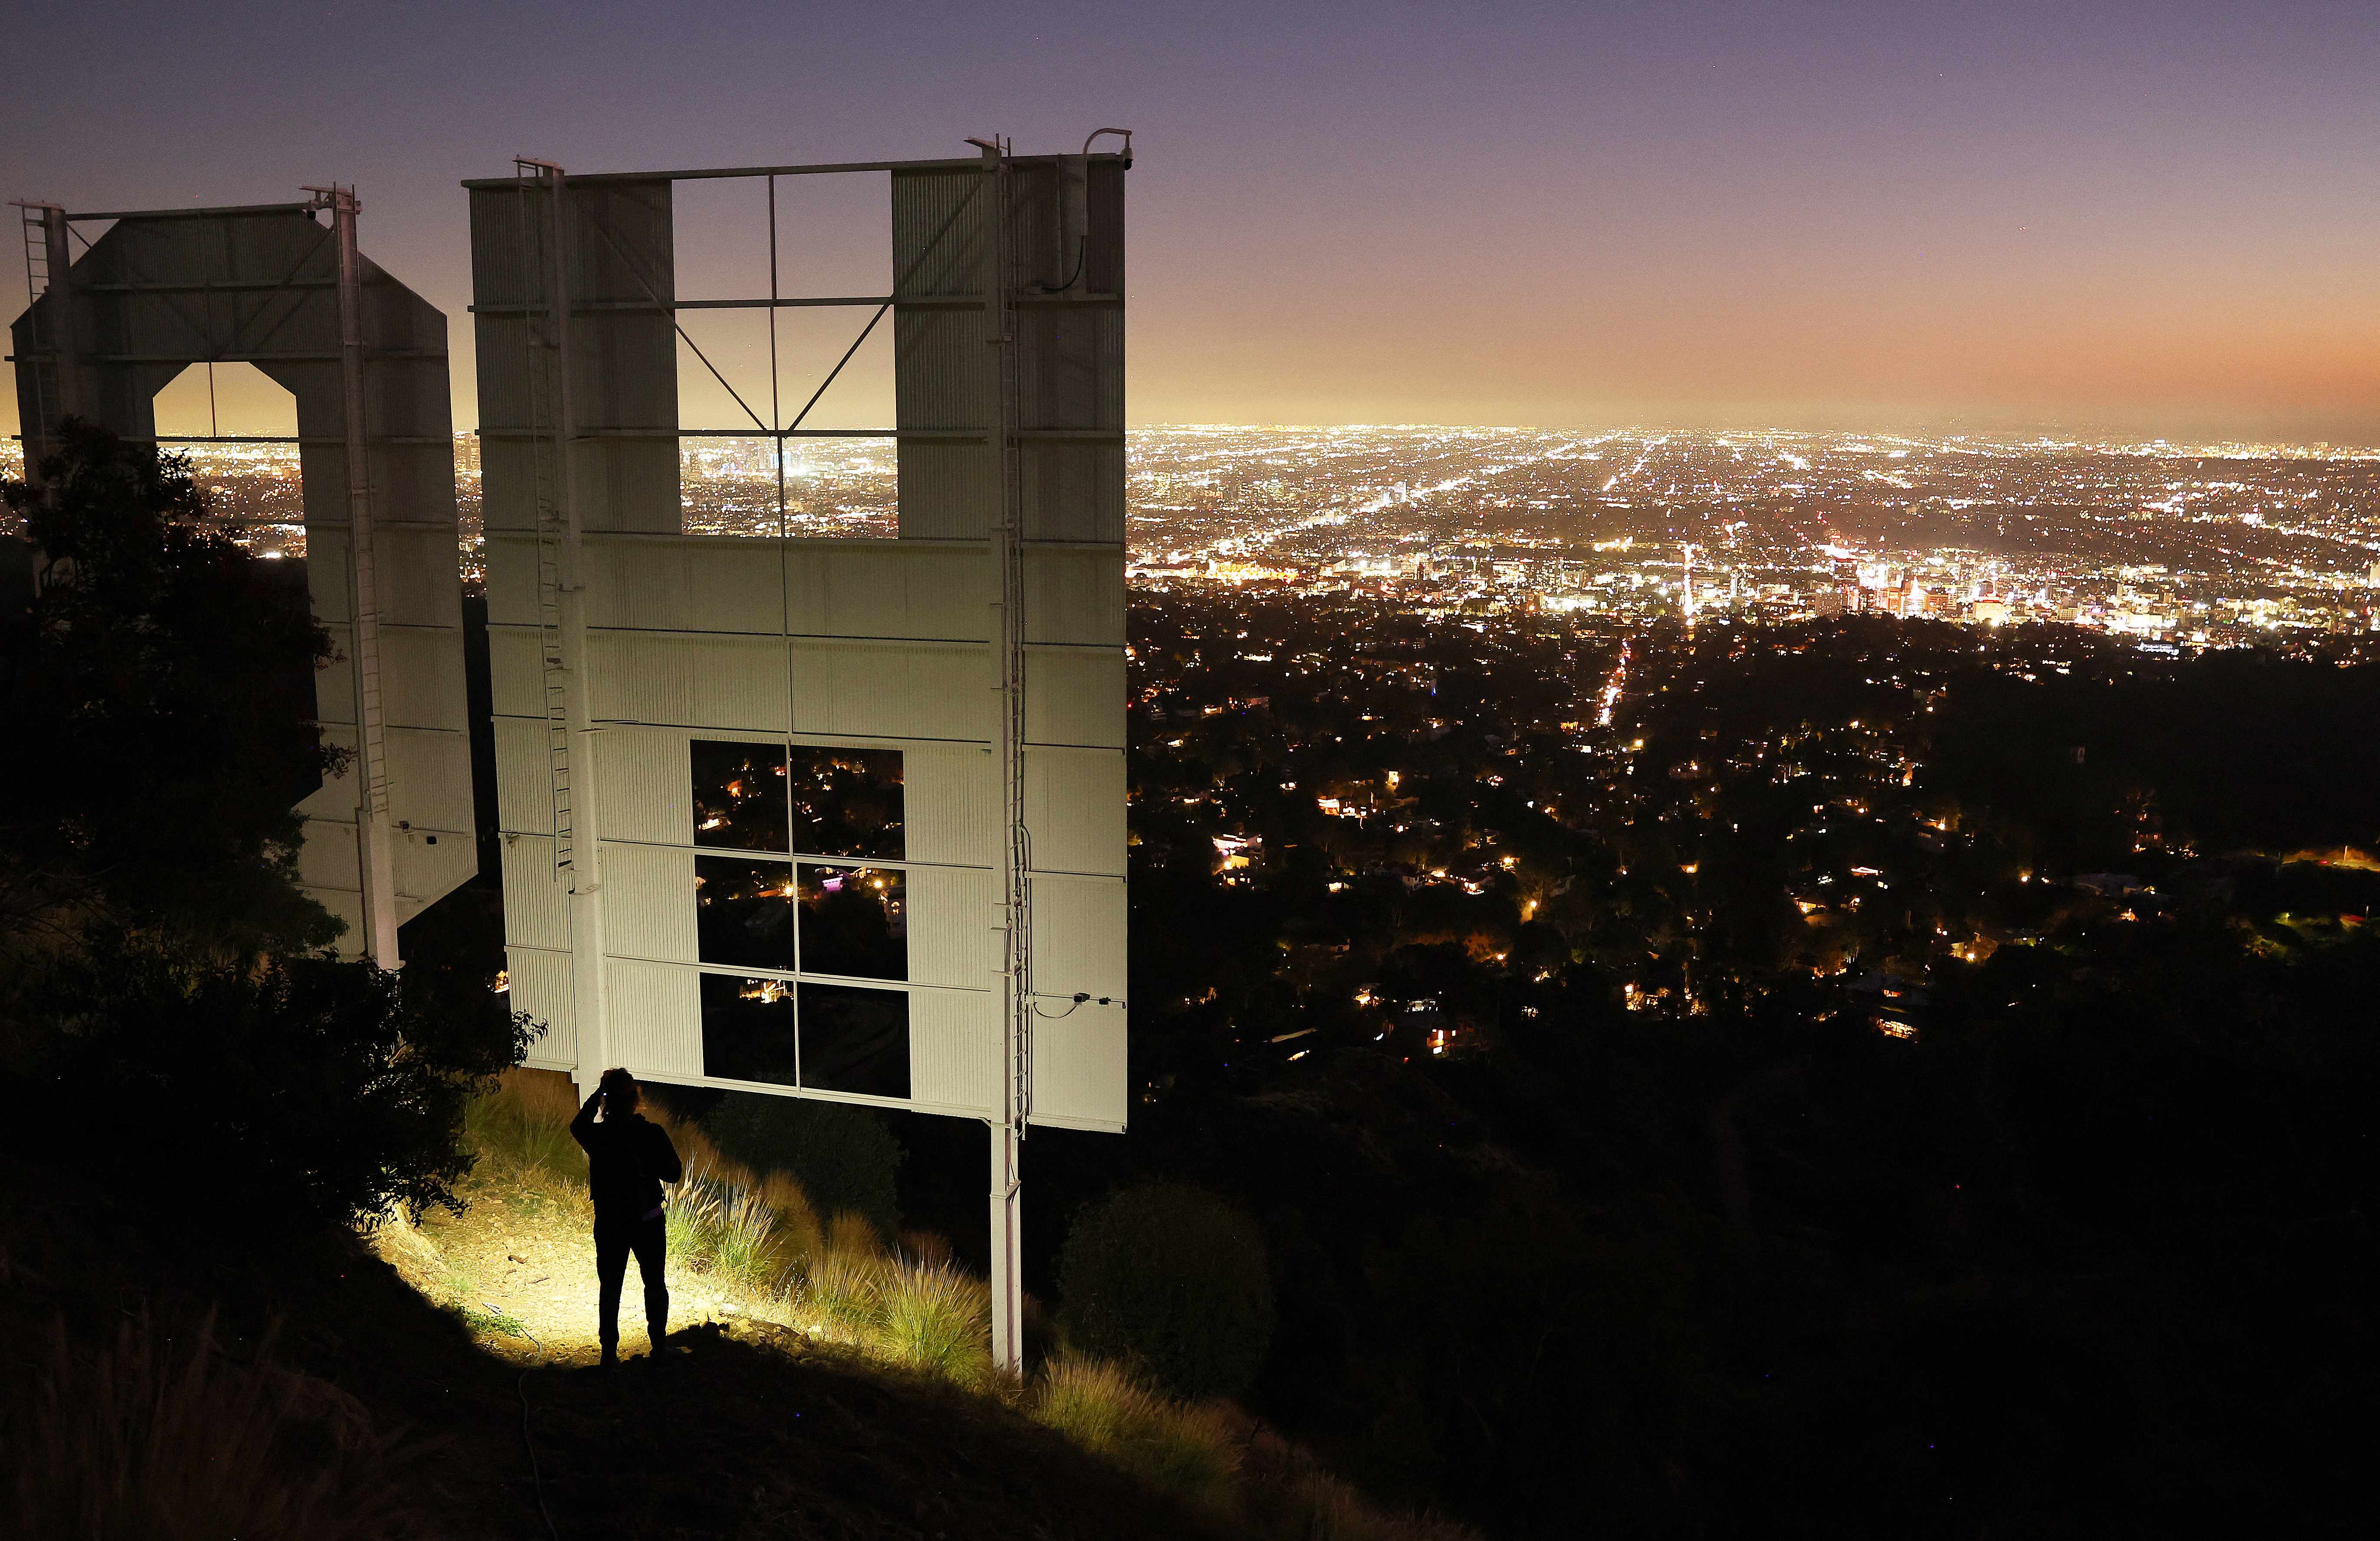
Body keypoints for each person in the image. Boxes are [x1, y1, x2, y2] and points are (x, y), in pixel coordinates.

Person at [569, 1067, 683, 1365]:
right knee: (655, 1284)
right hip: (649, 1220)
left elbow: (578, 1125)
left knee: (611, 1288)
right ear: (636, 1100)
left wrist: (599, 1094)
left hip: (610, 1223)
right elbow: (674, 1173)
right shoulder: (651, 1133)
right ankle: (659, 1347)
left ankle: (609, 1354)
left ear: (606, 1103)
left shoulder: (598, 1135)